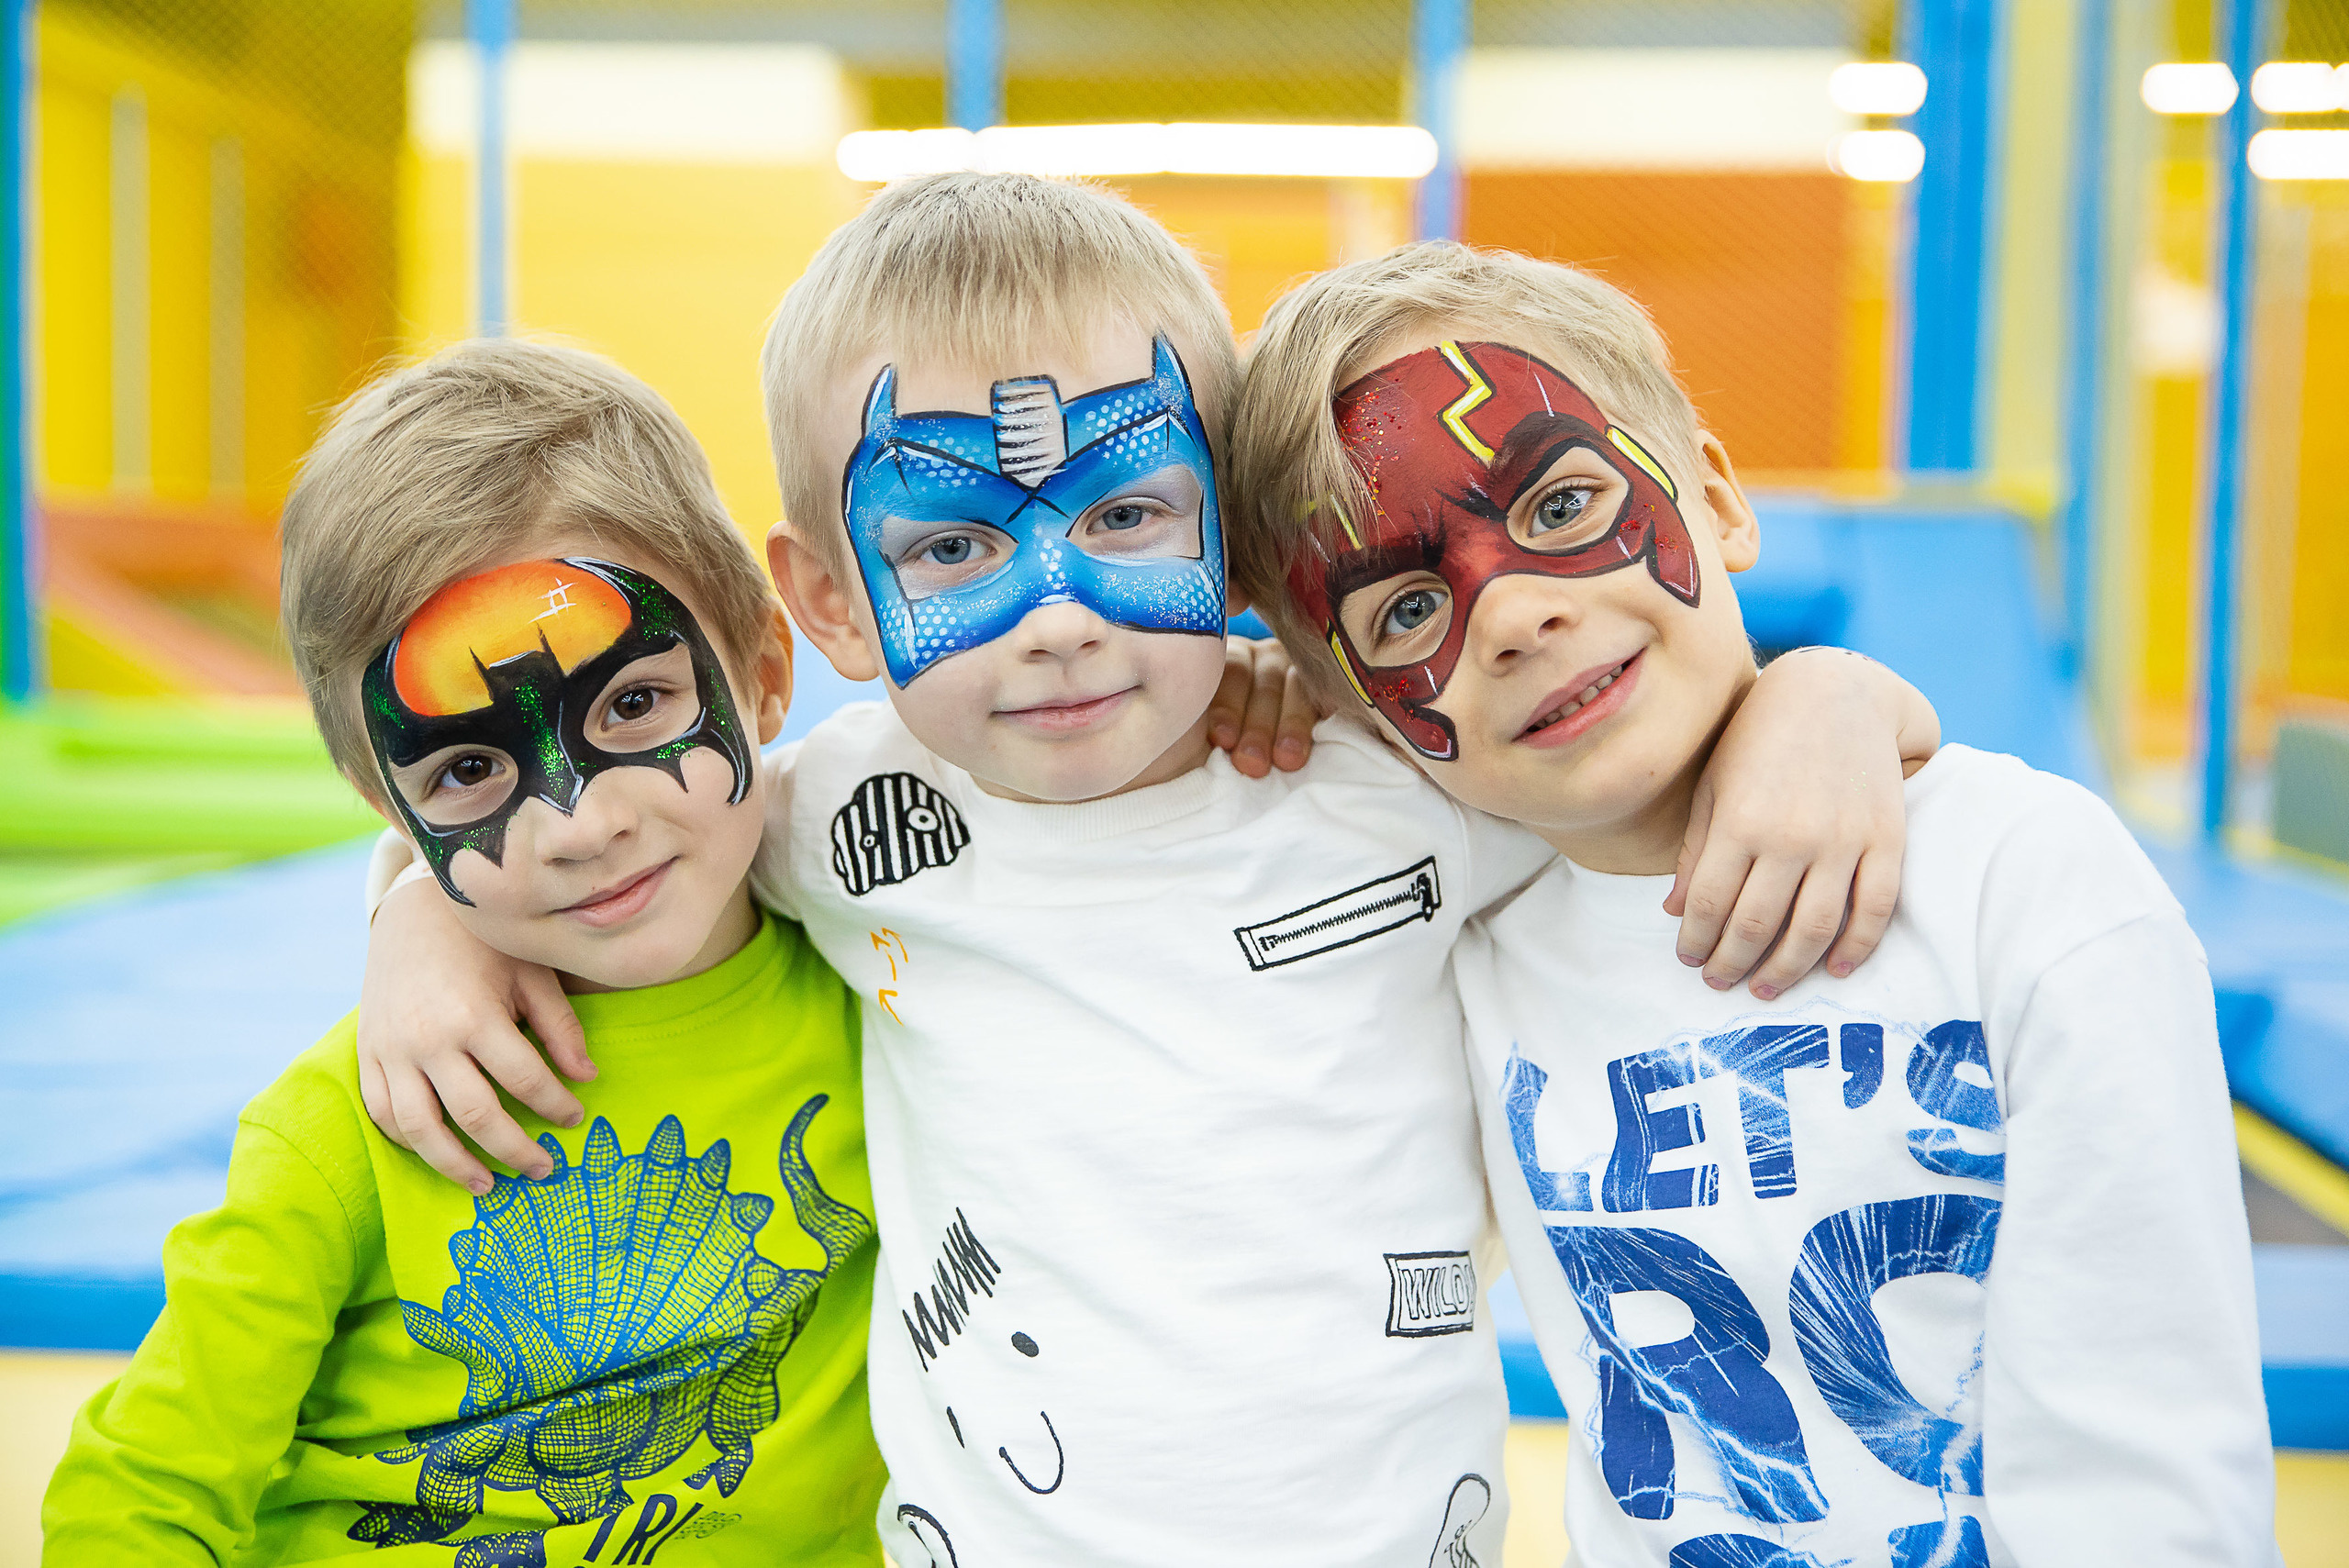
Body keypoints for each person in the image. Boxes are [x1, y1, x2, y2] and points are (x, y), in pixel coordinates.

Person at [354, 174, 1940, 1565]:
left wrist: (1825, 694)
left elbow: (1641, 746)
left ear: (1232, 554)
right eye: (953, 547)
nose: (1057, 614)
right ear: (831, 601)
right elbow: (600, 819)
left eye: (1124, 512)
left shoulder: (1397, 783)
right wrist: (415, 910)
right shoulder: (828, 818)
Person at [1231, 239, 2278, 1565]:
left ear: (1716, 500)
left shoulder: (2024, 877)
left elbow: (2149, 1460)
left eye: (1561, 509)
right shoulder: (1455, 951)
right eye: (1405, 610)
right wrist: (1244, 682)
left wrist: (1829, 683)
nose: (1510, 617)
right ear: (1368, 720)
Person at [42, 340, 891, 1566]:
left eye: (635, 706)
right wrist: (410, 906)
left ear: (762, 673)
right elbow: (138, 1497)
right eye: (470, 769)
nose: (581, 823)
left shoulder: (907, 994)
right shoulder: (346, 1128)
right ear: (385, 803)